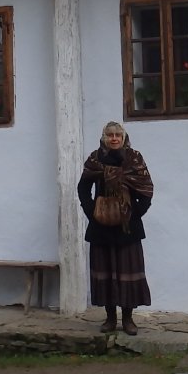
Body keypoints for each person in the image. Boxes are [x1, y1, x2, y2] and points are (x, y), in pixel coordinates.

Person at [77, 121, 154, 334]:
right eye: (110, 135)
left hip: (128, 227)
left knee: (127, 270)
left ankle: (128, 319)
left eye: (118, 135)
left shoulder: (134, 159)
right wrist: (92, 211)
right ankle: (110, 318)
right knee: (106, 272)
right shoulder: (95, 159)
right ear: (104, 137)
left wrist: (135, 213)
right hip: (101, 226)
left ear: (123, 137)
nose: (114, 138)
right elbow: (83, 187)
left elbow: (146, 189)